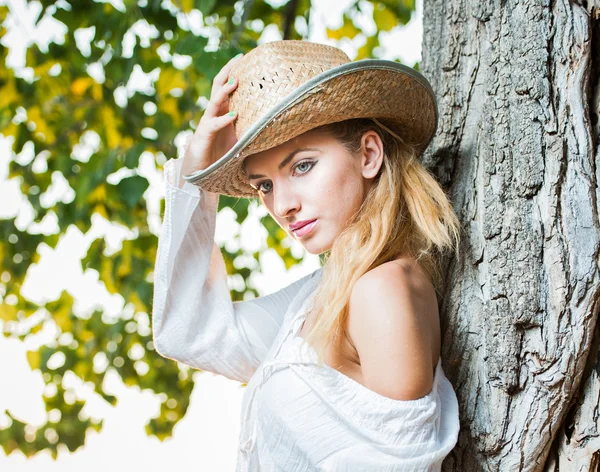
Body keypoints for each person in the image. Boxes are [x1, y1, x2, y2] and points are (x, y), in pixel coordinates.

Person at [152, 40, 462, 471]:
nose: (282, 206)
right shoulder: (321, 297)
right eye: (264, 185)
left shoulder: (383, 289)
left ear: (368, 154)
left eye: (302, 166)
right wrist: (193, 176)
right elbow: (189, 333)